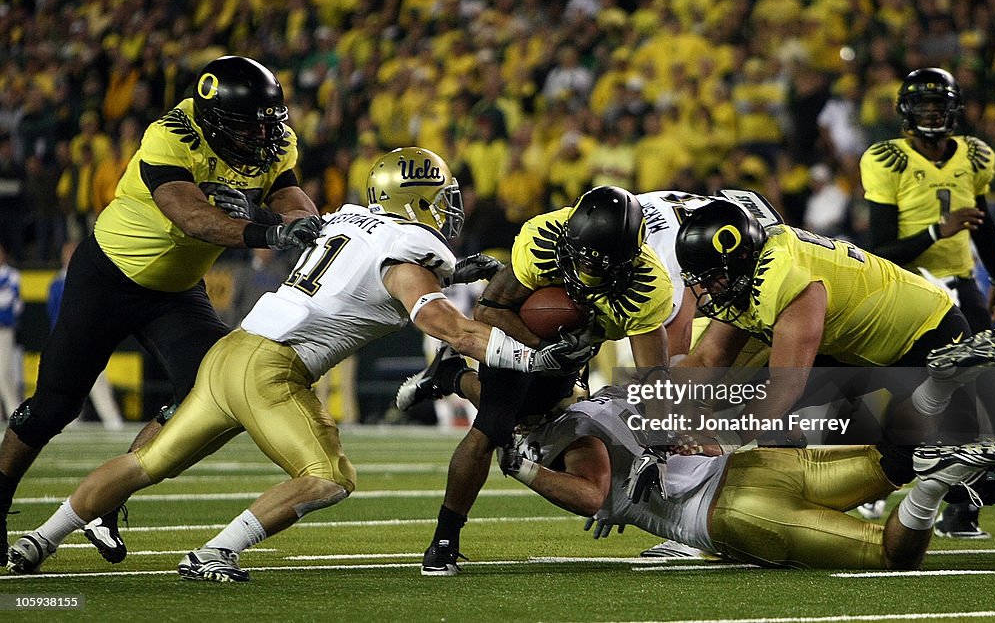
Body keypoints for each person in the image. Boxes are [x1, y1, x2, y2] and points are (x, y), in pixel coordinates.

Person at [7, 147, 592, 581]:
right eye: (440, 201)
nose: (447, 212)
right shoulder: (412, 250)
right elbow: (445, 324)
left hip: (228, 353)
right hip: (273, 370)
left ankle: (36, 540)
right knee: (331, 477)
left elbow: (363, 272)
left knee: (145, 463)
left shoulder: (343, 218)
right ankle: (216, 551)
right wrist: (532, 358)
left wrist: (453, 272)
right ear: (416, 202)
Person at [0, 56, 324, 563]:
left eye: (269, 119)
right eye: (250, 123)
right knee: (53, 406)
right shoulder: (171, 135)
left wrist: (295, 221)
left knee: (217, 395)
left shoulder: (275, 141)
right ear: (215, 120)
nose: (264, 133)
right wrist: (268, 232)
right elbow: (191, 216)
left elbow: (292, 199)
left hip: (176, 290)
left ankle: (110, 495)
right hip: (108, 275)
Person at [400, 185, 674, 576]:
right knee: (493, 426)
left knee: (531, 414)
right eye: (582, 262)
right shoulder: (541, 238)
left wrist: (657, 448)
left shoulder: (648, 287)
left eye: (601, 267)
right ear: (570, 242)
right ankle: (444, 541)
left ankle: (452, 375)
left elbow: (655, 377)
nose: (588, 275)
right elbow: (489, 310)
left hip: (569, 353)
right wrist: (538, 349)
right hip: (519, 334)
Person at [494, 385, 995, 569]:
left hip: (731, 513)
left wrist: (522, 469)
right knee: (889, 460)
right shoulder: (601, 400)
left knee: (887, 553)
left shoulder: (558, 435)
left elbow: (593, 493)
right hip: (754, 463)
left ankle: (934, 484)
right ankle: (941, 415)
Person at [667, 199, 995, 461]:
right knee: (742, 394)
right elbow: (707, 357)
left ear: (739, 258)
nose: (707, 290)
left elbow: (785, 388)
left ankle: (947, 387)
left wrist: (723, 437)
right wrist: (657, 404)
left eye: (712, 278)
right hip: (856, 343)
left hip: (925, 331)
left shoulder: (784, 279)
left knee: (929, 460)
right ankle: (782, 488)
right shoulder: (747, 273)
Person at [861, 67, 995, 538]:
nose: (932, 113)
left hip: (960, 280)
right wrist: (937, 230)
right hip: (910, 287)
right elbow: (880, 248)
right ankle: (881, 480)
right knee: (909, 388)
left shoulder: (974, 155)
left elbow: (983, 221)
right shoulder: (887, 158)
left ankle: (990, 488)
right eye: (924, 105)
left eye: (939, 104)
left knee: (993, 385)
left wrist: (994, 277)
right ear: (906, 112)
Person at [47, 241, 123, 430]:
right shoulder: (57, 282)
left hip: (88, 336)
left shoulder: (88, 277)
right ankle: (70, 420)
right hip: (66, 336)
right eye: (67, 253)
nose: (69, 257)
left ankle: (112, 419)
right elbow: (54, 312)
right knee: (67, 382)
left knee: (97, 379)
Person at [0, 244, 22, 420]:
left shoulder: (11, 274)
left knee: (3, 374)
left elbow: (8, 301)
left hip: (5, 329)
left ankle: (15, 414)